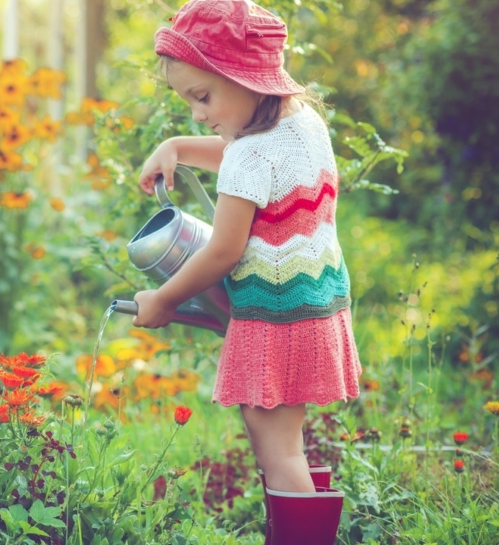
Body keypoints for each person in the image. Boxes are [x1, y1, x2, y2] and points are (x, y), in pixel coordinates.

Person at [130, 1, 362, 543]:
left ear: (244, 78)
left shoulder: (250, 155)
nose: (195, 112)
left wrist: (163, 300)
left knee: (277, 451)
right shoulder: (302, 123)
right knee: (289, 444)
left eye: (202, 96)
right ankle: (296, 528)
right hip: (317, 307)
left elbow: (222, 252)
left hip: (274, 320)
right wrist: (177, 148)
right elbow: (246, 160)